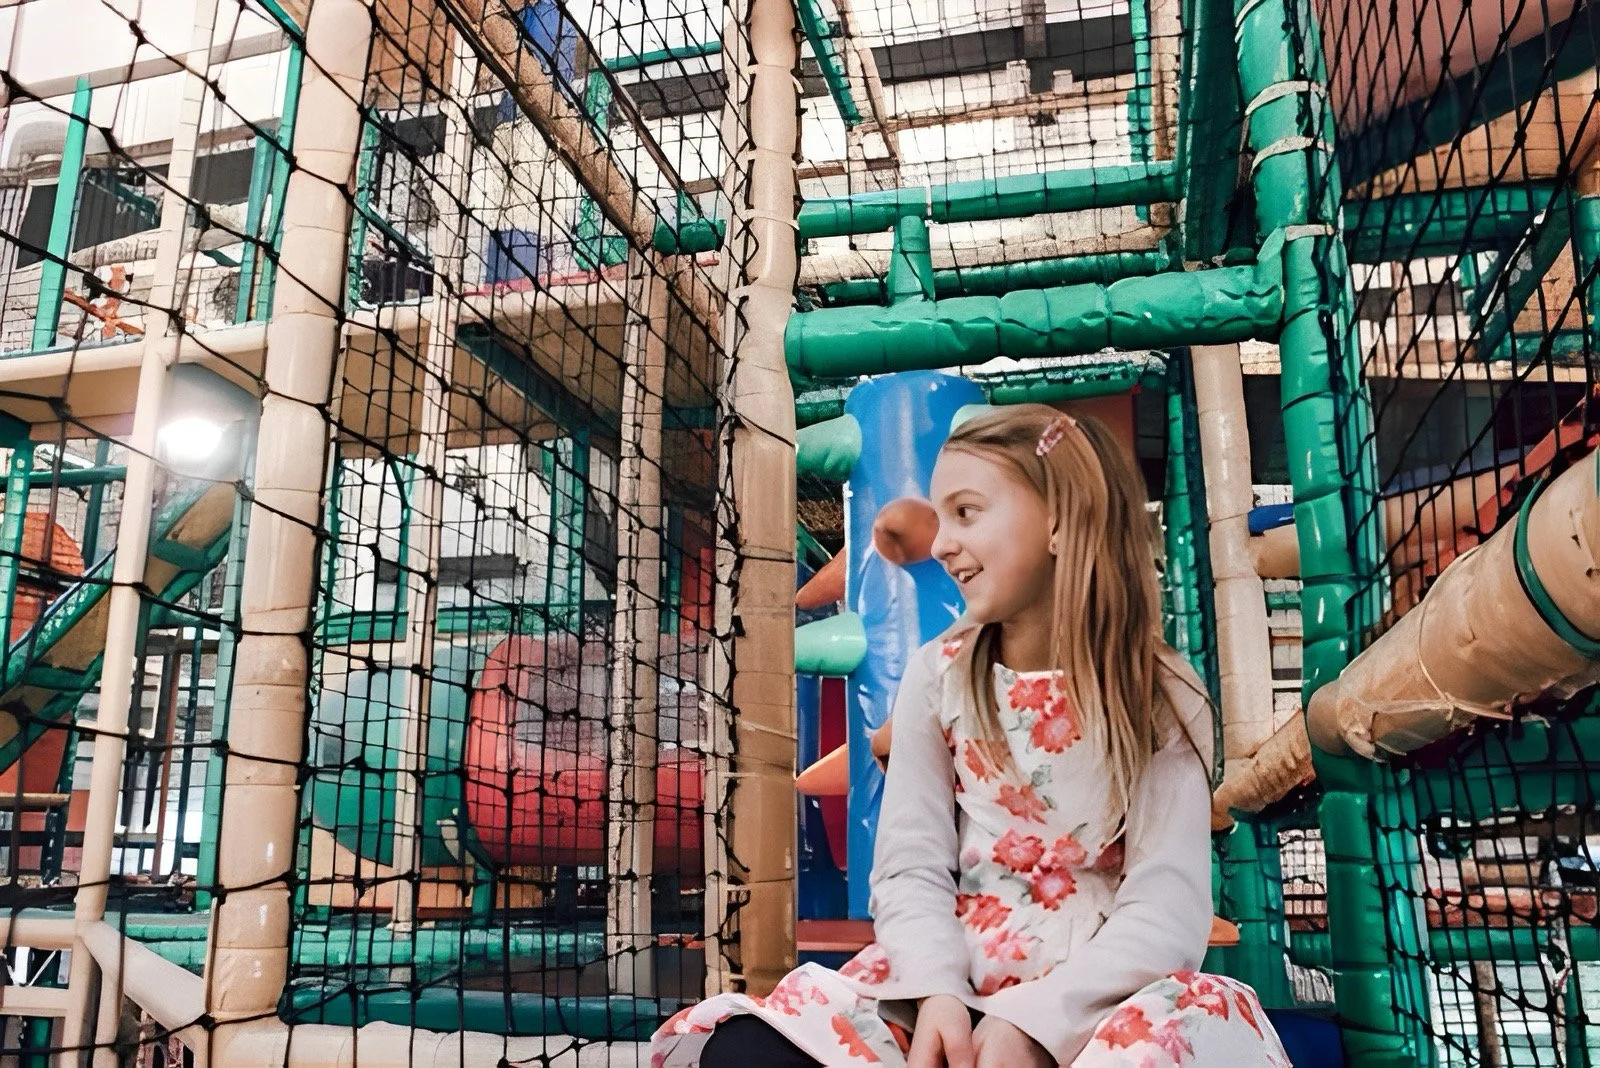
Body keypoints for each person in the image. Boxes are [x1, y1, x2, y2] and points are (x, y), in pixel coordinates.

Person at [652, 405, 1291, 1067]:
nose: (941, 543)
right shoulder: (939, 676)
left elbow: (1166, 902)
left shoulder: (1158, 690)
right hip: (953, 975)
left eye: (967, 512)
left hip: (1105, 992)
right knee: (746, 1051)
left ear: (1059, 520)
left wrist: (1035, 1022)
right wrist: (937, 994)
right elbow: (910, 865)